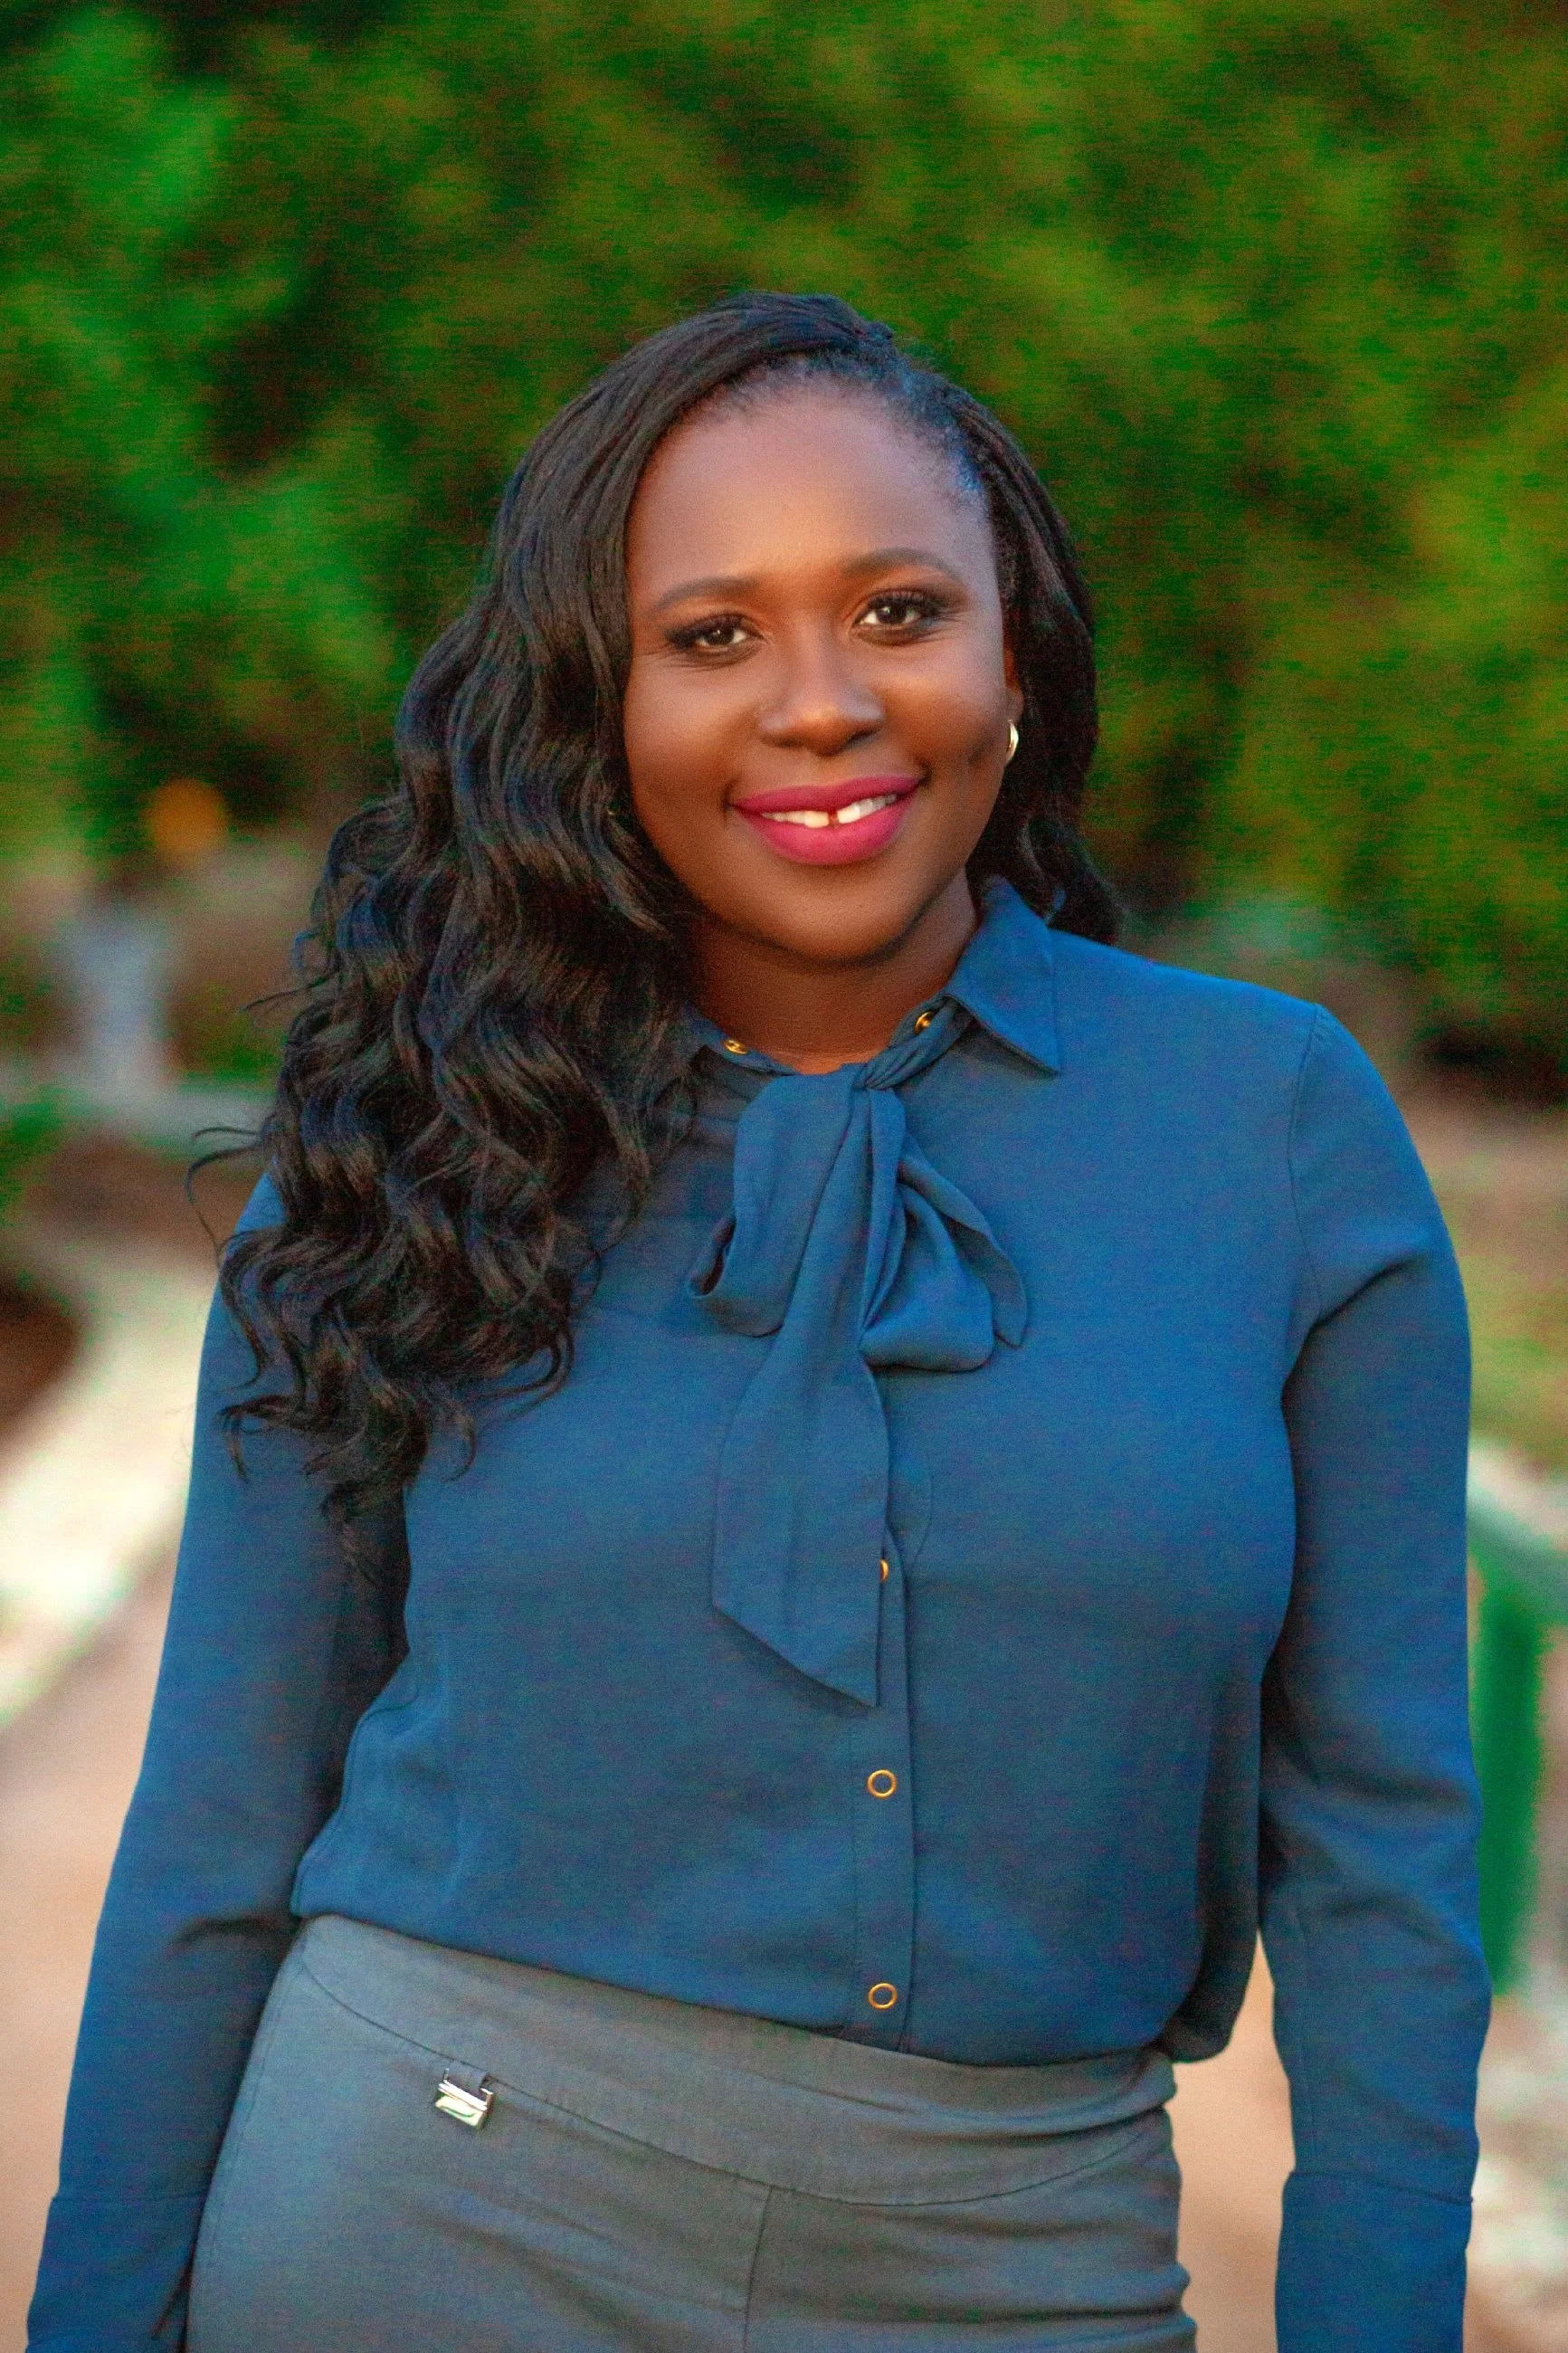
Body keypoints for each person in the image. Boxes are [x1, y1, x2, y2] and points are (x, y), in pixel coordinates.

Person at [29, 292, 1487, 2353]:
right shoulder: (409, 1152)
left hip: (1027, 2271)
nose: (818, 703)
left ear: (1012, 653)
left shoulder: (1269, 1130)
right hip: (416, 2229)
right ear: (596, 700)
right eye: (711, 637)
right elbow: (219, 1823)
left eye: (897, 610)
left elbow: (1380, 1853)